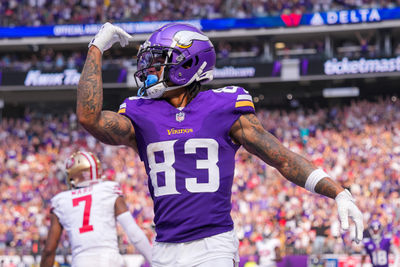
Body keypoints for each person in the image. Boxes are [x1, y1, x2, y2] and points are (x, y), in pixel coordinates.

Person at [76, 22, 364, 267]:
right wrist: (96, 48)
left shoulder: (224, 106)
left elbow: (283, 159)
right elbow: (89, 117)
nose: (150, 68)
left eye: (159, 59)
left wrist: (338, 192)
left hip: (212, 246)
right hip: (164, 247)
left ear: (187, 63)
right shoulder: (141, 112)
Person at [40, 151, 152, 267]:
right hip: (110, 261)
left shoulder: (61, 201)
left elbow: (49, 250)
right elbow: (133, 233)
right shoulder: (108, 189)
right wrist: (155, 262)